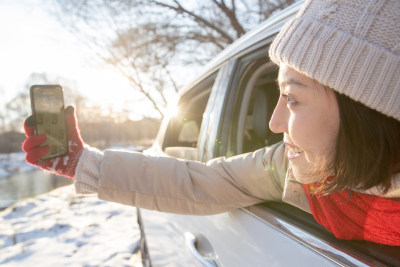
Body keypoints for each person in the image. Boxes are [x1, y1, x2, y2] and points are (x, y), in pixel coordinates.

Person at [22, 0, 400, 246]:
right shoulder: (287, 168)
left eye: (293, 98)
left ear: (367, 112)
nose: (273, 122)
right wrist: (84, 163)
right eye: (277, 96)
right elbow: (197, 182)